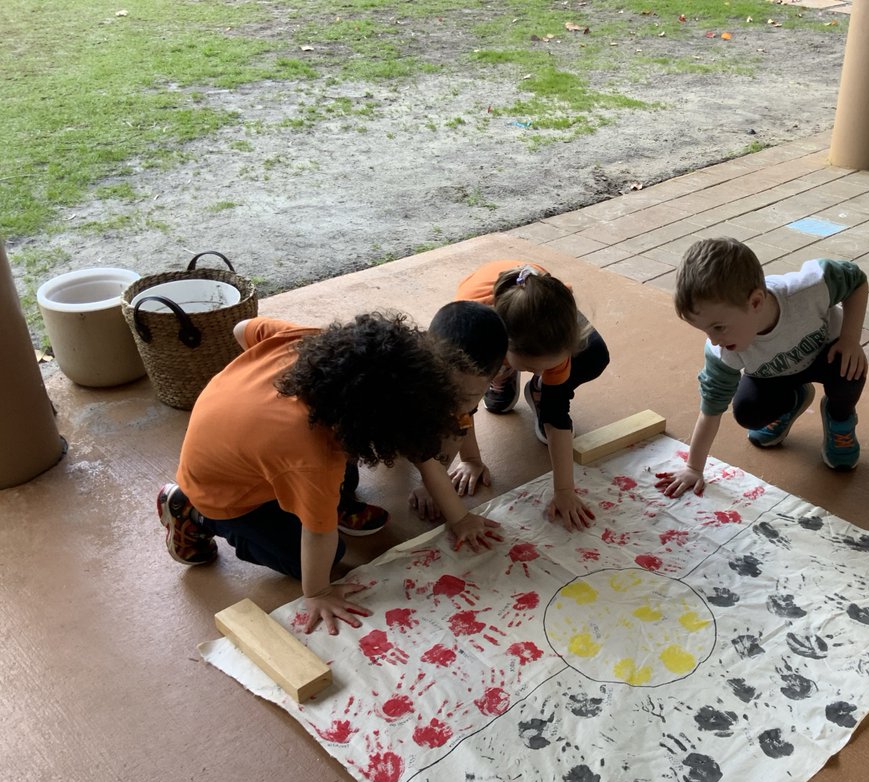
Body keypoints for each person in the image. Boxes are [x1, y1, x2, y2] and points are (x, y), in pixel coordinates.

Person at [156, 312, 465, 635]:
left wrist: (460, 519)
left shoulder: (316, 343)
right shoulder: (312, 455)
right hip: (221, 493)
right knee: (324, 555)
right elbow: (318, 535)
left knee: (340, 476)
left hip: (242, 449)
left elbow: (241, 329)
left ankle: (324, 502)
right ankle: (193, 513)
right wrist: (317, 592)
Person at [656, 237, 869, 499]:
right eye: (705, 331)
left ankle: (839, 418)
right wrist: (693, 467)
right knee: (747, 412)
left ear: (756, 302)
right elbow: (710, 410)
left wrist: (850, 338)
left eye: (719, 327)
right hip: (774, 375)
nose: (714, 340)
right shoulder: (722, 351)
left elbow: (856, 279)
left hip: (827, 357)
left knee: (850, 372)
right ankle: (793, 401)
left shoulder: (810, 287)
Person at [449, 259, 610, 530]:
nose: (543, 371)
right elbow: (461, 408)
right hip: (489, 320)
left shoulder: (555, 341)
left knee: (593, 353)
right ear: (503, 349)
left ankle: (536, 390)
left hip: (541, 304)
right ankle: (502, 376)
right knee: (471, 389)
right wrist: (471, 460)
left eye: (549, 368)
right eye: (534, 369)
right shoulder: (472, 342)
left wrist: (564, 491)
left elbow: (558, 417)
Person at [407, 301, 510, 543]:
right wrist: (460, 518)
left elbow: (464, 419)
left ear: (494, 378)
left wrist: (472, 460)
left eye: (467, 397)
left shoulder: (466, 389)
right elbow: (424, 458)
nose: (455, 405)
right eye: (449, 392)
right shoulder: (416, 388)